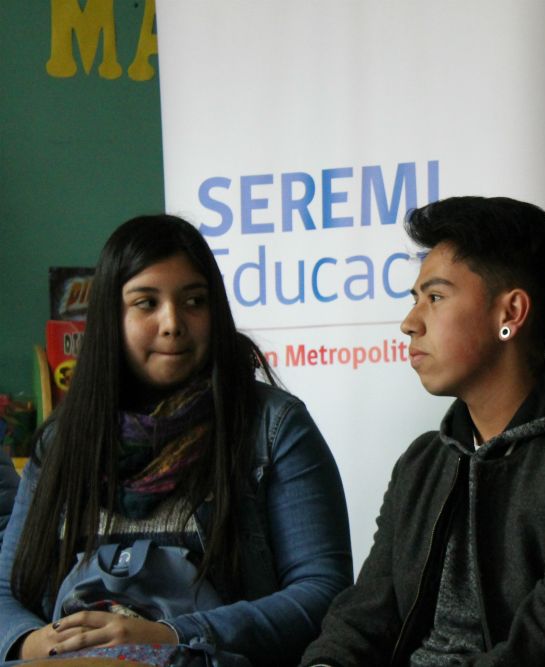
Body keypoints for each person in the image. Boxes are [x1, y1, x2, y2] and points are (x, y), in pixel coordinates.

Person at [300, 196, 545, 666]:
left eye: (436, 297)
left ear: (510, 314)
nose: (409, 323)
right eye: (415, 299)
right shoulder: (423, 461)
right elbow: (363, 618)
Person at [0, 215, 353, 665]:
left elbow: (325, 591)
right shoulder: (62, 442)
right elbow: (5, 592)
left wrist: (169, 636)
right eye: (146, 303)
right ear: (112, 317)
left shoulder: (274, 427)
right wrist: (36, 644)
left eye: (194, 301)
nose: (172, 323)